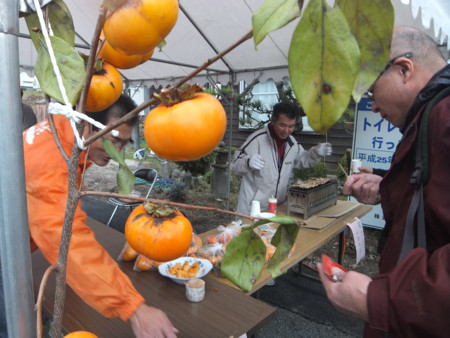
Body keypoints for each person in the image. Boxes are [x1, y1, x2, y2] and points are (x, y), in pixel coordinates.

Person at [0, 95, 177, 338]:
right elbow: (68, 240)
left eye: (124, 144)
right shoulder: (49, 161)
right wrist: (133, 307)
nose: (117, 153)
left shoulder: (64, 135)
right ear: (86, 124)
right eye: (114, 140)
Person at [317, 26, 450, 337]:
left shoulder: (444, 115)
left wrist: (383, 300)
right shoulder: (428, 117)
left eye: (370, 91)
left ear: (403, 69)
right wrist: (387, 187)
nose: (373, 107)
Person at [231, 101, 332, 215]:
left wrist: (316, 153)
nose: (286, 130)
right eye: (282, 125)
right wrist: (247, 162)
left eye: (291, 126)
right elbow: (234, 165)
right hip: (252, 210)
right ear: (273, 122)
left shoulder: (291, 143)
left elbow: (303, 161)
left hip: (277, 207)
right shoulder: (257, 140)